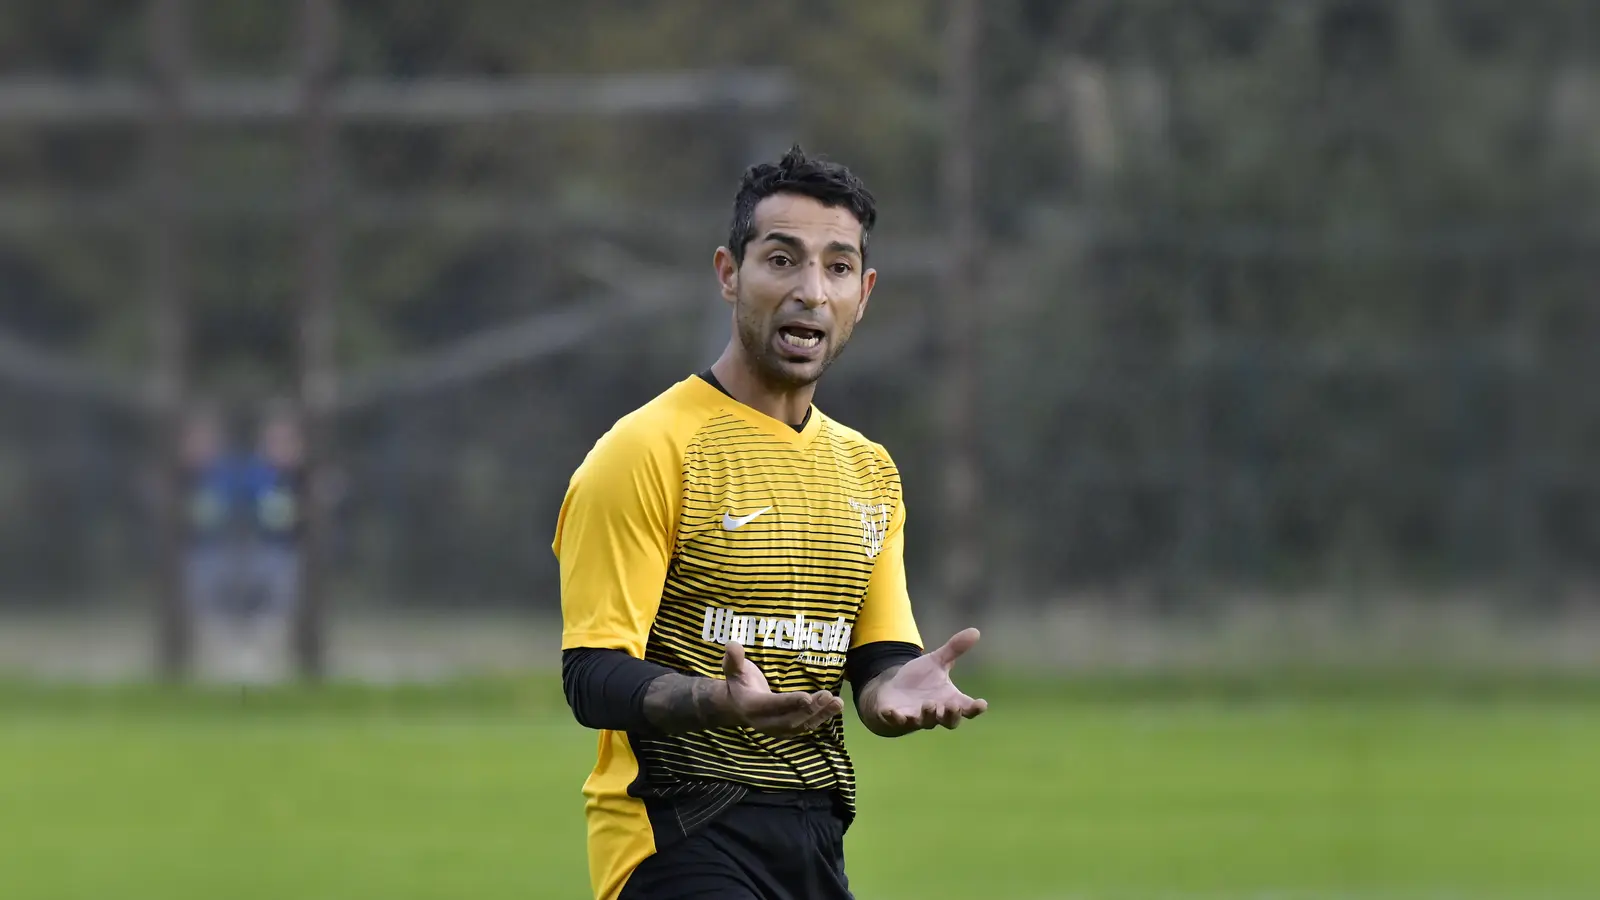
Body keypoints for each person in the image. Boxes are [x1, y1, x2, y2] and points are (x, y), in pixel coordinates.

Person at [554, 146, 989, 900]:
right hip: (676, 832)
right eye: (782, 260)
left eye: (837, 267)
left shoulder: (868, 471)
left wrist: (892, 690)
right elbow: (592, 675)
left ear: (865, 292)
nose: (810, 291)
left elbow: (878, 659)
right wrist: (717, 701)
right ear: (729, 274)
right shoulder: (646, 450)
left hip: (816, 833)